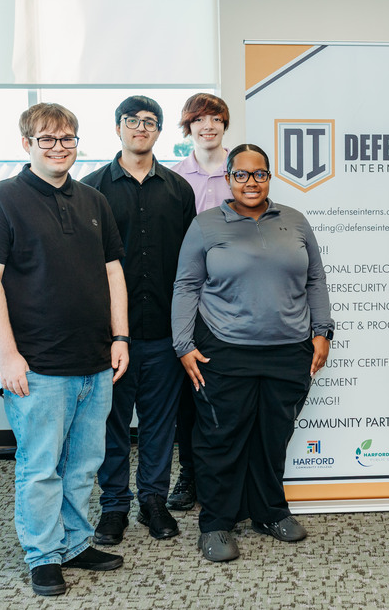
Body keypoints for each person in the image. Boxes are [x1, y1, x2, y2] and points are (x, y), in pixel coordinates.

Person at [0, 103, 129, 596]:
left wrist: (120, 337)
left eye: (68, 139)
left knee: (83, 465)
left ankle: (76, 542)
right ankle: (43, 554)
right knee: (40, 468)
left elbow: (113, 273)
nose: (60, 147)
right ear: (27, 144)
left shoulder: (93, 200)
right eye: (48, 139)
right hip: (37, 365)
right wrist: (7, 354)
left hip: (96, 360)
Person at [171, 143, 334, 562]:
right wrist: (184, 344)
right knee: (221, 437)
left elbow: (315, 279)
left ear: (269, 177)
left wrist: (322, 332)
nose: (250, 182)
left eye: (259, 174)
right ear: (228, 178)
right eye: (241, 174)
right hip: (225, 349)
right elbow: (186, 286)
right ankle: (217, 523)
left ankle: (268, 511)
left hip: (288, 349)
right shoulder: (206, 224)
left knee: (273, 435)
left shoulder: (295, 221)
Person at [82, 96, 196, 545]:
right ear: (118, 128)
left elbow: (190, 266)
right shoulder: (91, 190)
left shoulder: (177, 190)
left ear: (159, 132)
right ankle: (113, 507)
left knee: (159, 423)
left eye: (150, 122)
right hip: (114, 336)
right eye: (133, 121)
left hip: (165, 330)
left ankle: (153, 501)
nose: (141, 128)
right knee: (111, 424)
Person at [167, 93, 231, 512]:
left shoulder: (241, 171)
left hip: (235, 303)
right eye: (199, 119)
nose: (208, 126)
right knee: (188, 396)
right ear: (187, 127)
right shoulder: (174, 179)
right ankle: (188, 474)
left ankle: (224, 478)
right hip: (191, 301)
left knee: (227, 394)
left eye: (216, 119)